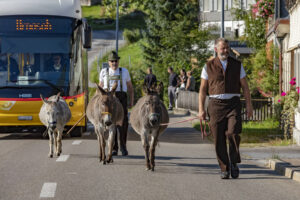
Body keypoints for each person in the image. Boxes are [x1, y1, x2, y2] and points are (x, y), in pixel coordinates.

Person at [198, 38, 253, 179]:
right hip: (215, 105)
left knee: (233, 132)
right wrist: (201, 110)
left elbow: (245, 87)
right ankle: (224, 168)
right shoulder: (208, 66)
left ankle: (234, 162)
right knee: (218, 139)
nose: (226, 51)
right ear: (216, 49)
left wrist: (249, 105)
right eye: (223, 48)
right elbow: (203, 90)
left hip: (233, 104)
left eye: (227, 48)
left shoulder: (237, 65)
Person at [99, 51, 134, 156]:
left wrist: (131, 101)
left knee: (123, 124)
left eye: (116, 61)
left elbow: (130, 87)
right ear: (108, 62)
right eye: (112, 61)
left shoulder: (124, 71)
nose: (114, 63)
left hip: (121, 97)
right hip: (108, 99)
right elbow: (100, 88)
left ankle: (123, 146)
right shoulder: (104, 72)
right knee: (111, 123)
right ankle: (114, 148)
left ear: (118, 61)